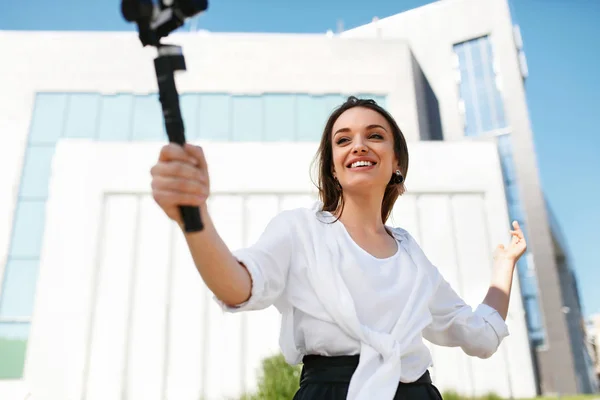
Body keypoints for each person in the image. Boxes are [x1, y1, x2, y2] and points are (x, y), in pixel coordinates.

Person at [150, 96, 526, 400]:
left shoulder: (413, 258)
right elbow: (238, 285)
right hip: (329, 392)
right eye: (343, 139)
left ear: (396, 161)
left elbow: (479, 335)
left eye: (374, 135)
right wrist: (194, 218)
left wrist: (504, 265)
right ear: (332, 166)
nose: (358, 145)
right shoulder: (299, 230)